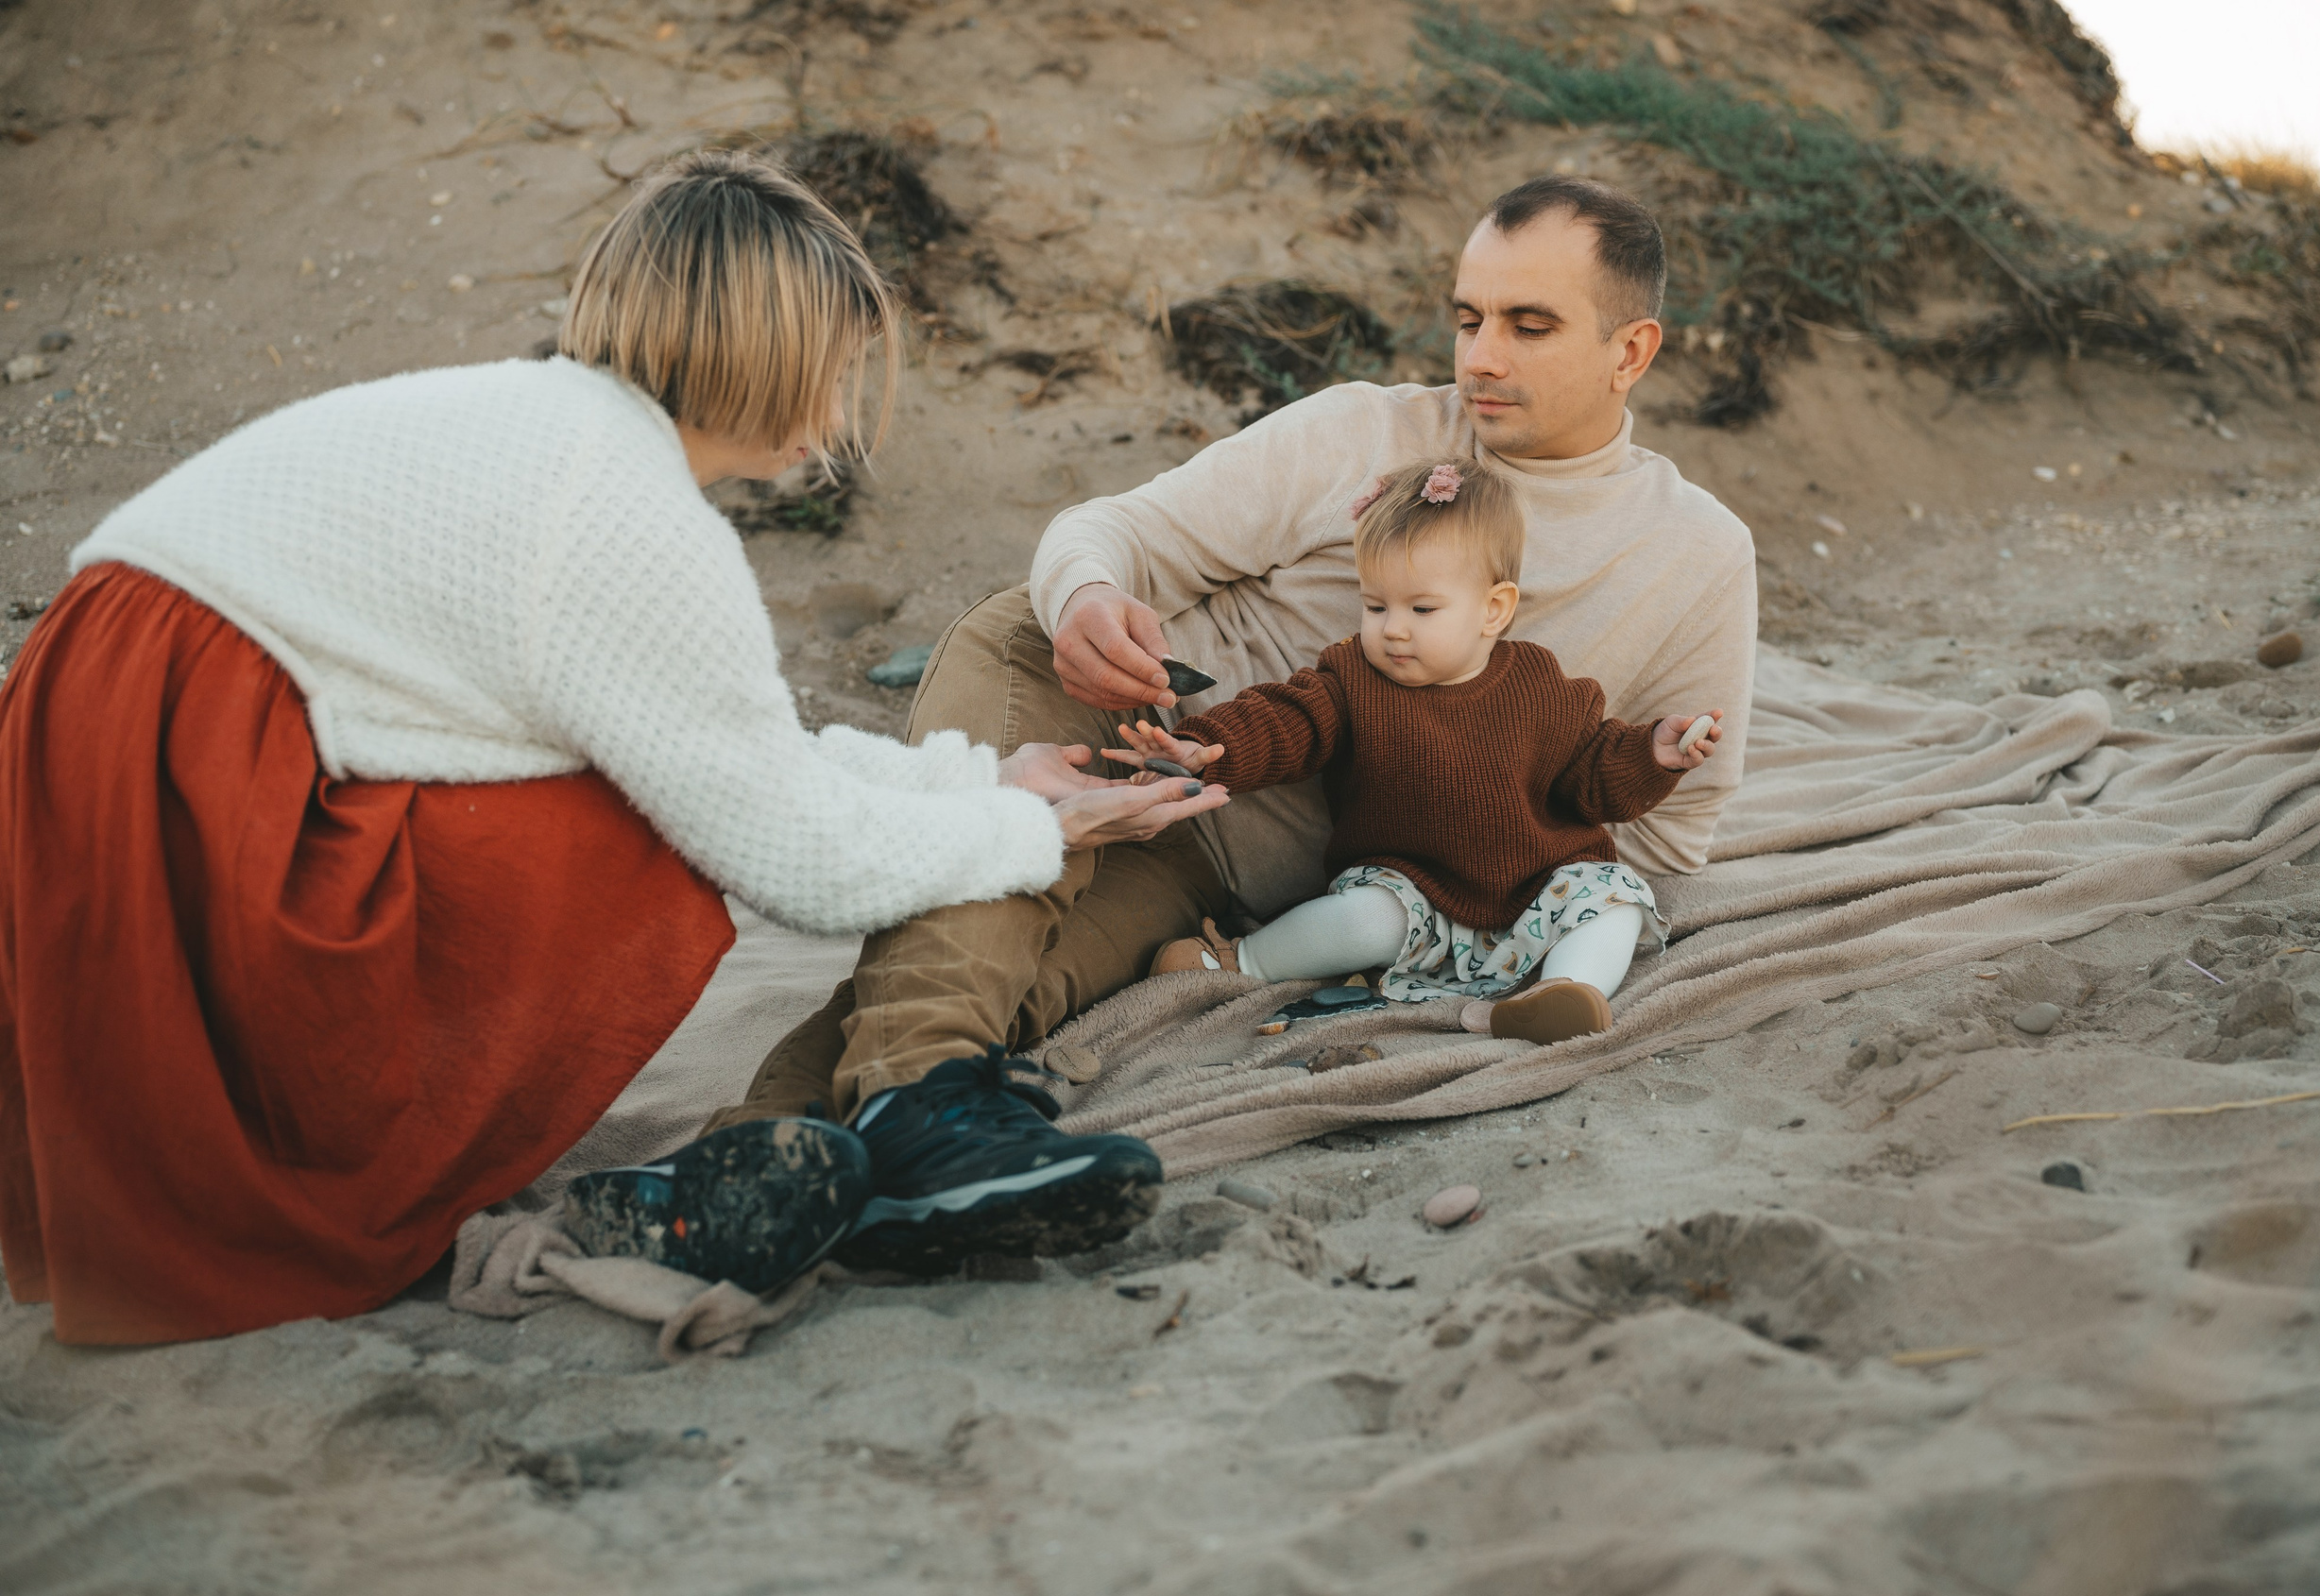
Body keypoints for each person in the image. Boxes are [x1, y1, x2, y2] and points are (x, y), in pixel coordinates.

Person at [0, 149, 1220, 1345]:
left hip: (114, 711)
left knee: (645, 789)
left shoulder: (550, 434)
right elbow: (785, 846)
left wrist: (978, 781)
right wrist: (1030, 828)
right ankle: (352, 1185)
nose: (844, 415)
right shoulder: (620, 509)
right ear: (765, 354)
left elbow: (734, 746)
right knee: (635, 835)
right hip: (173, 749)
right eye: (839, 369)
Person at [711, 175, 1757, 1236]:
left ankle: (757, 1164)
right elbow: (1113, 530)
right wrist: (1086, 601)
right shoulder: (1362, 431)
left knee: (1003, 977)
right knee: (993, 866)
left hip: (1212, 855)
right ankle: (927, 1129)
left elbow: (1668, 833)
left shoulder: (1696, 554)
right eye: (1468, 317)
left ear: (1630, 350)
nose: (1480, 355)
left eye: (1529, 325)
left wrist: (1456, 890)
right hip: (1088, 697)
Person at [1115, 456, 1722, 1045]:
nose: (1393, 628)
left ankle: (1564, 992)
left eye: (1422, 609)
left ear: (1494, 609)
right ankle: (1240, 962)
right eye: (1376, 606)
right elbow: (1282, 721)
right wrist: (1200, 747)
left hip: (1541, 892)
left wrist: (1652, 755)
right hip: (1413, 898)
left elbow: (1594, 773)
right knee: (1360, 921)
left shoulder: (1539, 684)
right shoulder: (1353, 679)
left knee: (1613, 899)